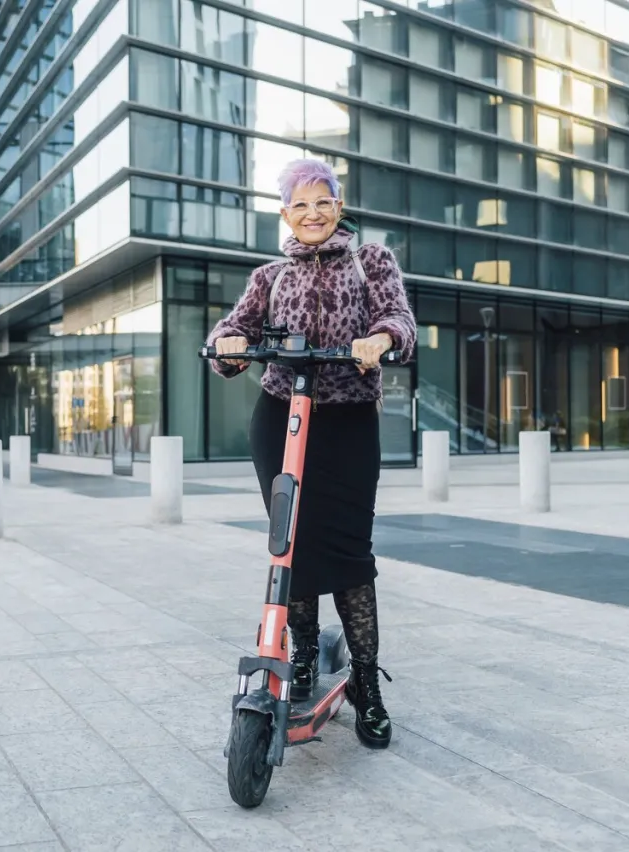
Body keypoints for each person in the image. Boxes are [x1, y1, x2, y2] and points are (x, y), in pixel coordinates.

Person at [207, 158, 416, 749]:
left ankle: (367, 685)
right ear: (285, 215)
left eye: (323, 201)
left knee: (349, 551)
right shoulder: (268, 275)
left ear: (339, 207)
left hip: (348, 421)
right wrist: (226, 344)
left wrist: (380, 340)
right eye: (300, 204)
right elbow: (231, 331)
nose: (313, 213)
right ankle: (300, 661)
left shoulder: (373, 260)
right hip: (280, 416)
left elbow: (399, 319)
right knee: (290, 545)